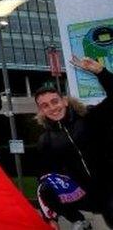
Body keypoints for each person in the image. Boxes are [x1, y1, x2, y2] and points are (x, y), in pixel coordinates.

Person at [35, 56, 113, 228]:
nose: (52, 108)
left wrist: (101, 72)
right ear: (41, 110)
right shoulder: (45, 140)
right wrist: (51, 217)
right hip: (83, 193)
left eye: (55, 101)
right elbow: (43, 179)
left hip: (109, 188)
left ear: (64, 101)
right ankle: (79, 221)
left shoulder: (90, 118)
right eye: (45, 105)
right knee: (46, 188)